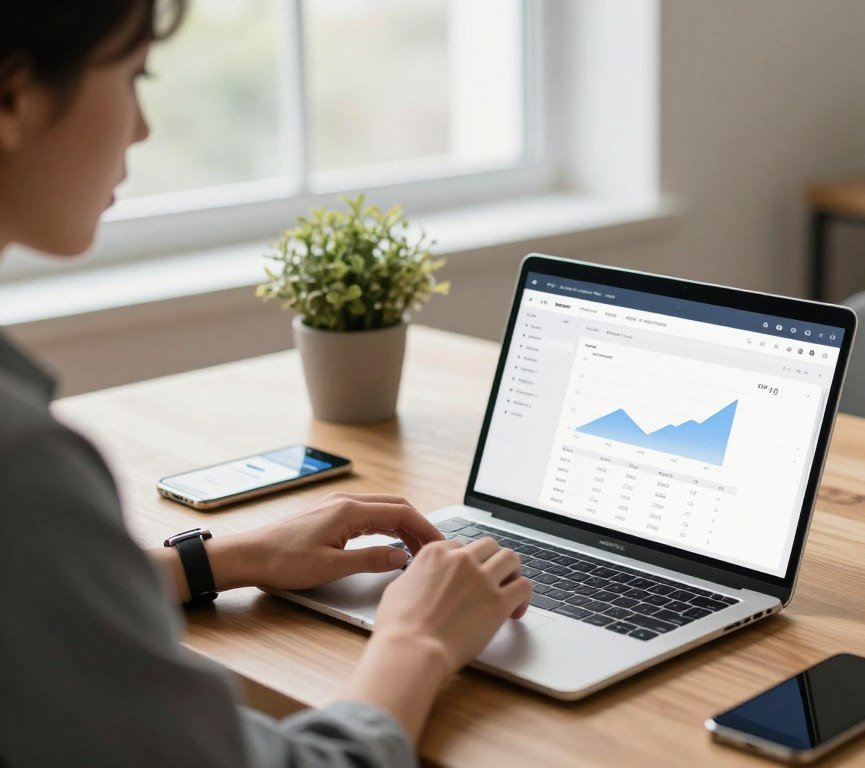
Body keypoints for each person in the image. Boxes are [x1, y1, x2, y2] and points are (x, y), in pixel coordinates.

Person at [0, 2, 531, 766]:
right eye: (132, 76)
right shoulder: (23, 470)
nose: (142, 128)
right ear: (15, 98)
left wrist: (223, 558)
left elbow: (35, 604)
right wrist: (416, 641)